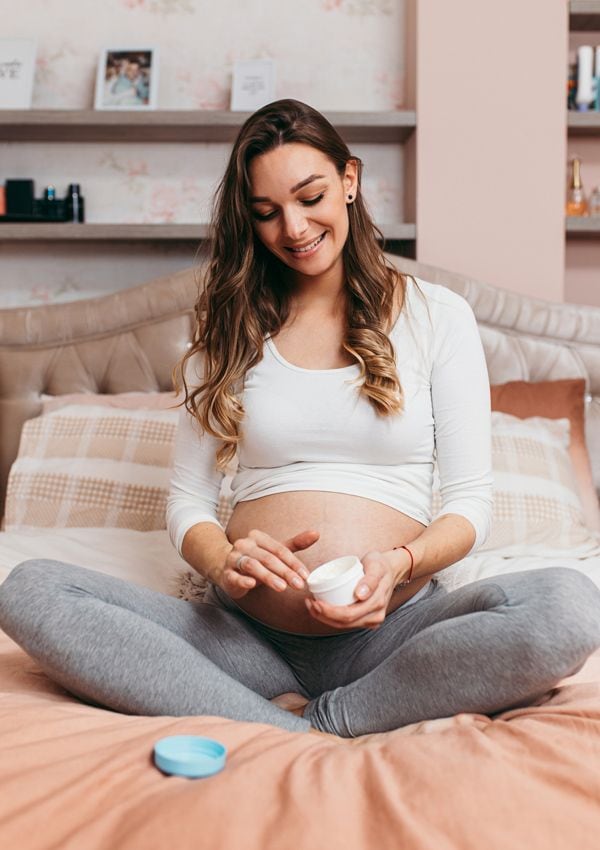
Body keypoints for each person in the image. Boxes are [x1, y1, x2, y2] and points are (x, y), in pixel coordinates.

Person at [1, 99, 599, 740]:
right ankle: (282, 727)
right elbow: (189, 500)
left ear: (350, 180)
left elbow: (469, 503)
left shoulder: (436, 315)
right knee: (29, 589)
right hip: (242, 639)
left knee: (569, 608)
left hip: (396, 636)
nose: (294, 228)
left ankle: (328, 718)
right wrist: (223, 559)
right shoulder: (226, 327)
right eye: (266, 213)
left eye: (310, 196)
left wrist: (399, 563)